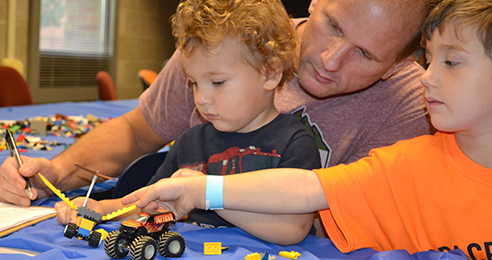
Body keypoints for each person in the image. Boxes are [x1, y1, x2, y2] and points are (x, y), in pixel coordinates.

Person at [122, 0, 492, 260]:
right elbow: (307, 189)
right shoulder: (404, 164)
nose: (428, 78)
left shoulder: (404, 135)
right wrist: (200, 188)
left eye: (451, 62)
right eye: (430, 61)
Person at [0, 0, 434, 208]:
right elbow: (136, 132)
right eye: (332, 24)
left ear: (402, 62)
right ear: (316, 2)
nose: (329, 59)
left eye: (365, 54)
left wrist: (204, 191)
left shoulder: (412, 107)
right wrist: (55, 173)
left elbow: (329, 217)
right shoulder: (228, 46)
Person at [55, 0, 321, 233]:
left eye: (217, 82)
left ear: (270, 73)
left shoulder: (295, 143)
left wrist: (204, 196)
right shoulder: (190, 143)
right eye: (194, 83)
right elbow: (150, 203)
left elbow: (293, 228)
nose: (201, 98)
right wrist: (100, 208)